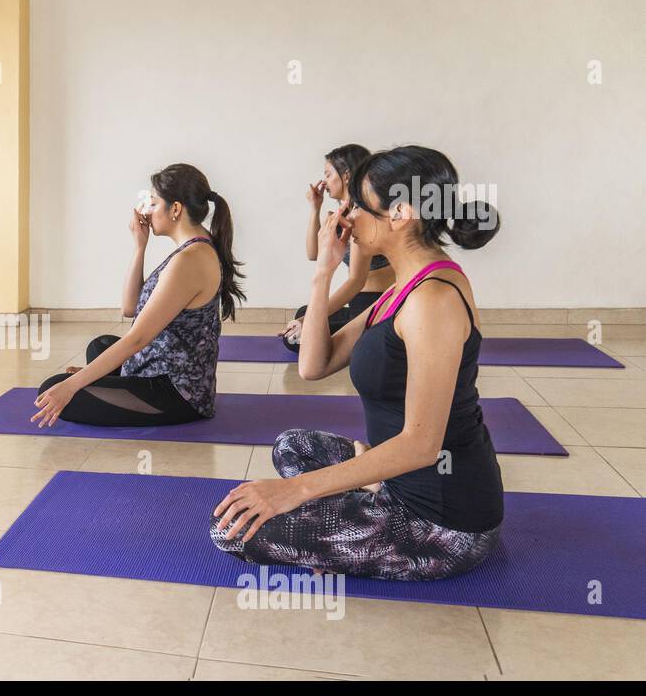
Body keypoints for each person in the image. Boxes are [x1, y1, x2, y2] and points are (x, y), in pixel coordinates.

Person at [212, 146, 503, 580]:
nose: (345, 217)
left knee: (232, 533)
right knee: (292, 446)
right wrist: (324, 272)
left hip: (441, 524)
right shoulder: (403, 288)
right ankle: (368, 498)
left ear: (401, 213)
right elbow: (313, 364)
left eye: (359, 207)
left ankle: (363, 519)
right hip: (397, 485)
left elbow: (422, 446)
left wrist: (293, 492)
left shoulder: (433, 301)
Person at [33, 163, 245, 428]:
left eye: (154, 204)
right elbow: (130, 307)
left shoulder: (190, 260)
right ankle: (110, 381)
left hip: (176, 393)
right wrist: (139, 246)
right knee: (100, 345)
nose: (147, 211)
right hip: (157, 367)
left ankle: (106, 383)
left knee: (52, 388)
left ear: (176, 209)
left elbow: (137, 339)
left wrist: (74, 384)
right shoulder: (192, 249)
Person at [278, 144, 394, 351]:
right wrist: (315, 208)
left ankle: (365, 338)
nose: (324, 182)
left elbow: (356, 281)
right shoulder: (342, 214)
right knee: (303, 314)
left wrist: (309, 319)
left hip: (376, 303)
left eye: (328, 174)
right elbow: (313, 254)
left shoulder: (362, 214)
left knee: (297, 335)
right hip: (359, 300)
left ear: (347, 176)